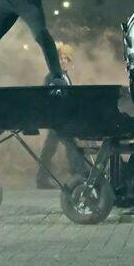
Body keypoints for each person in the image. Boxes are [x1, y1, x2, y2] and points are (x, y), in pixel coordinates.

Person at [36, 43, 87, 188]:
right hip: (57, 119)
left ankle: (42, 178)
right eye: (60, 58)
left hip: (61, 118)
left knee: (50, 148)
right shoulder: (52, 76)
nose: (63, 61)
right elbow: (49, 98)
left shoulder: (65, 76)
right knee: (70, 145)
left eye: (66, 58)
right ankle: (79, 174)